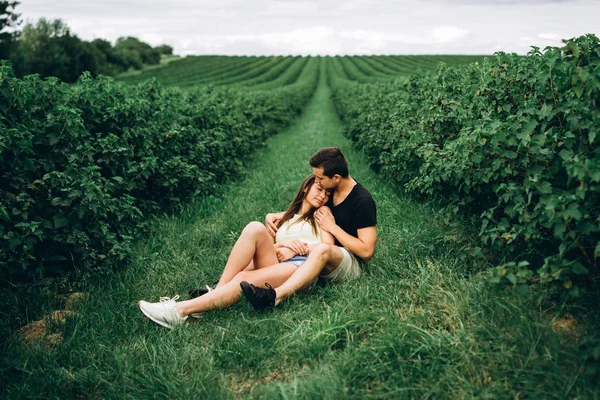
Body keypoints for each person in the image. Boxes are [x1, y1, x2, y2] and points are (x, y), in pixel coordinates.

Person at [138, 174, 334, 329]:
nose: (323, 195)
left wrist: (298, 250)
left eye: (327, 193)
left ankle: (179, 311)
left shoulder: (323, 215)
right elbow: (268, 248)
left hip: (299, 267)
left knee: (243, 277)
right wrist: (282, 246)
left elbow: (328, 249)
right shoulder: (285, 217)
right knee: (254, 227)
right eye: (319, 188)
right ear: (306, 187)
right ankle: (214, 294)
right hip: (277, 263)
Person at [240, 147, 377, 310]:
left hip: (348, 263)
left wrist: (332, 228)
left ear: (336, 177)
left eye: (320, 178)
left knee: (321, 250)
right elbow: (308, 209)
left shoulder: (362, 200)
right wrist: (277, 215)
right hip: (321, 258)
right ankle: (222, 285)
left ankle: (274, 296)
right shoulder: (331, 190)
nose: (317, 181)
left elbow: (366, 252)